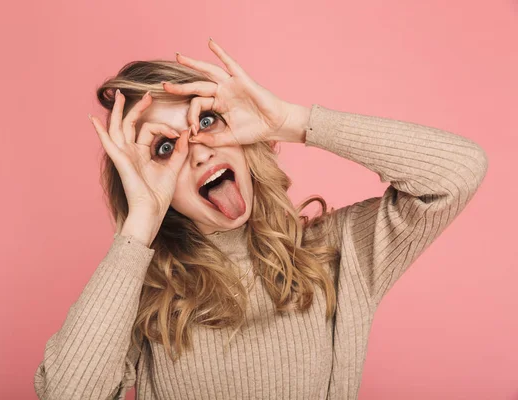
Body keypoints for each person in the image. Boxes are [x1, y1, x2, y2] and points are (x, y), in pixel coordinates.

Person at [33, 38, 489, 400]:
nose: (200, 150)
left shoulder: (338, 253)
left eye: (206, 120)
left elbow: (458, 172)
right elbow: (65, 394)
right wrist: (139, 224)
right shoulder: (141, 291)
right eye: (165, 148)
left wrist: (293, 121)